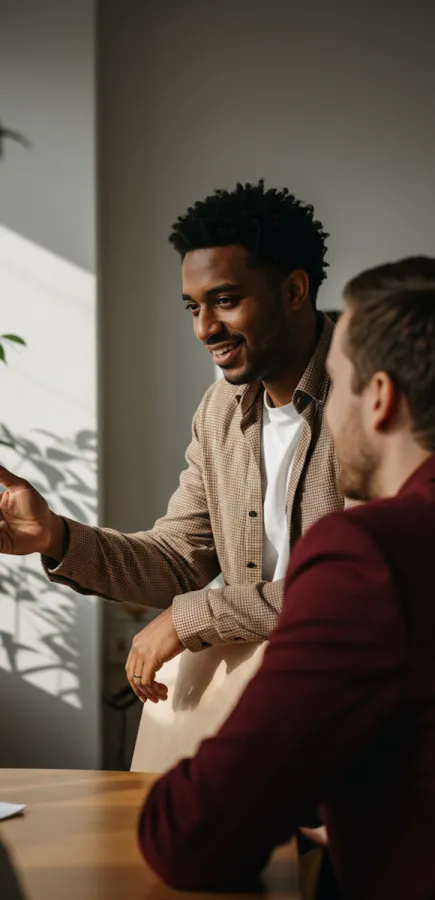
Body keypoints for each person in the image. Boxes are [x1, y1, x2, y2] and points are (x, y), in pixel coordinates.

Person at [136, 256, 435, 900]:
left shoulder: (370, 553)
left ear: (378, 397)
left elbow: (195, 830)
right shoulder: (217, 412)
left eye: (338, 379)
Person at [0, 180, 352, 703]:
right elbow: (177, 559)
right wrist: (56, 536)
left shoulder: (373, 399)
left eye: (225, 301)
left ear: (294, 291)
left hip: (364, 716)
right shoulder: (218, 412)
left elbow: (357, 590)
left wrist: (194, 615)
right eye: (192, 307)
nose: (205, 328)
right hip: (265, 708)